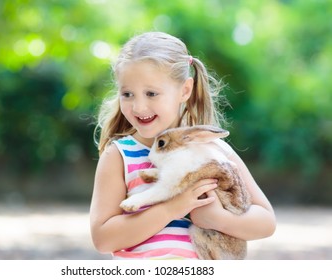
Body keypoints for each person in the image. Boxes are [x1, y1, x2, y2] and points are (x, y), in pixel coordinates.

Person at [90, 31, 276, 259]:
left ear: (184, 90)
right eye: (127, 94)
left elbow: (266, 222)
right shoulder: (119, 156)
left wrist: (217, 219)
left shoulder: (213, 150)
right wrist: (171, 208)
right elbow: (103, 238)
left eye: (151, 93)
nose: (138, 107)